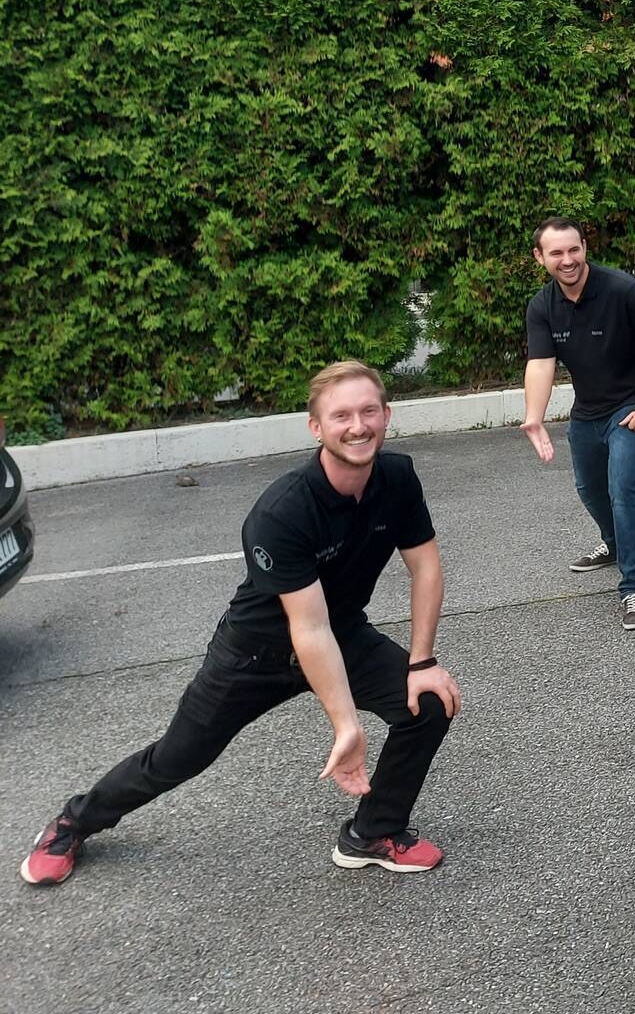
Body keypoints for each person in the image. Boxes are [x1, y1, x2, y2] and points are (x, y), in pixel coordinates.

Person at [20, 362, 461, 887]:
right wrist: (347, 725)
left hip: (340, 635)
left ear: (387, 416)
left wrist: (423, 662)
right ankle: (74, 821)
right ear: (316, 427)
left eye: (369, 411)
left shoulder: (397, 478)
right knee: (176, 759)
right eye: (341, 415)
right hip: (256, 653)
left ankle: (372, 833)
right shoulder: (282, 512)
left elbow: (425, 565)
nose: (358, 425)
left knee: (428, 703)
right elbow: (307, 629)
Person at [522, 218, 635, 632]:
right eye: (556, 253)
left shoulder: (620, 289)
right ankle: (615, 544)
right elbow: (541, 362)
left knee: (625, 486)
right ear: (539, 258)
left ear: (585, 247)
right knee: (590, 489)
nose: (567, 260)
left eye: (573, 250)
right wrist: (534, 417)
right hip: (589, 410)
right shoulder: (543, 306)